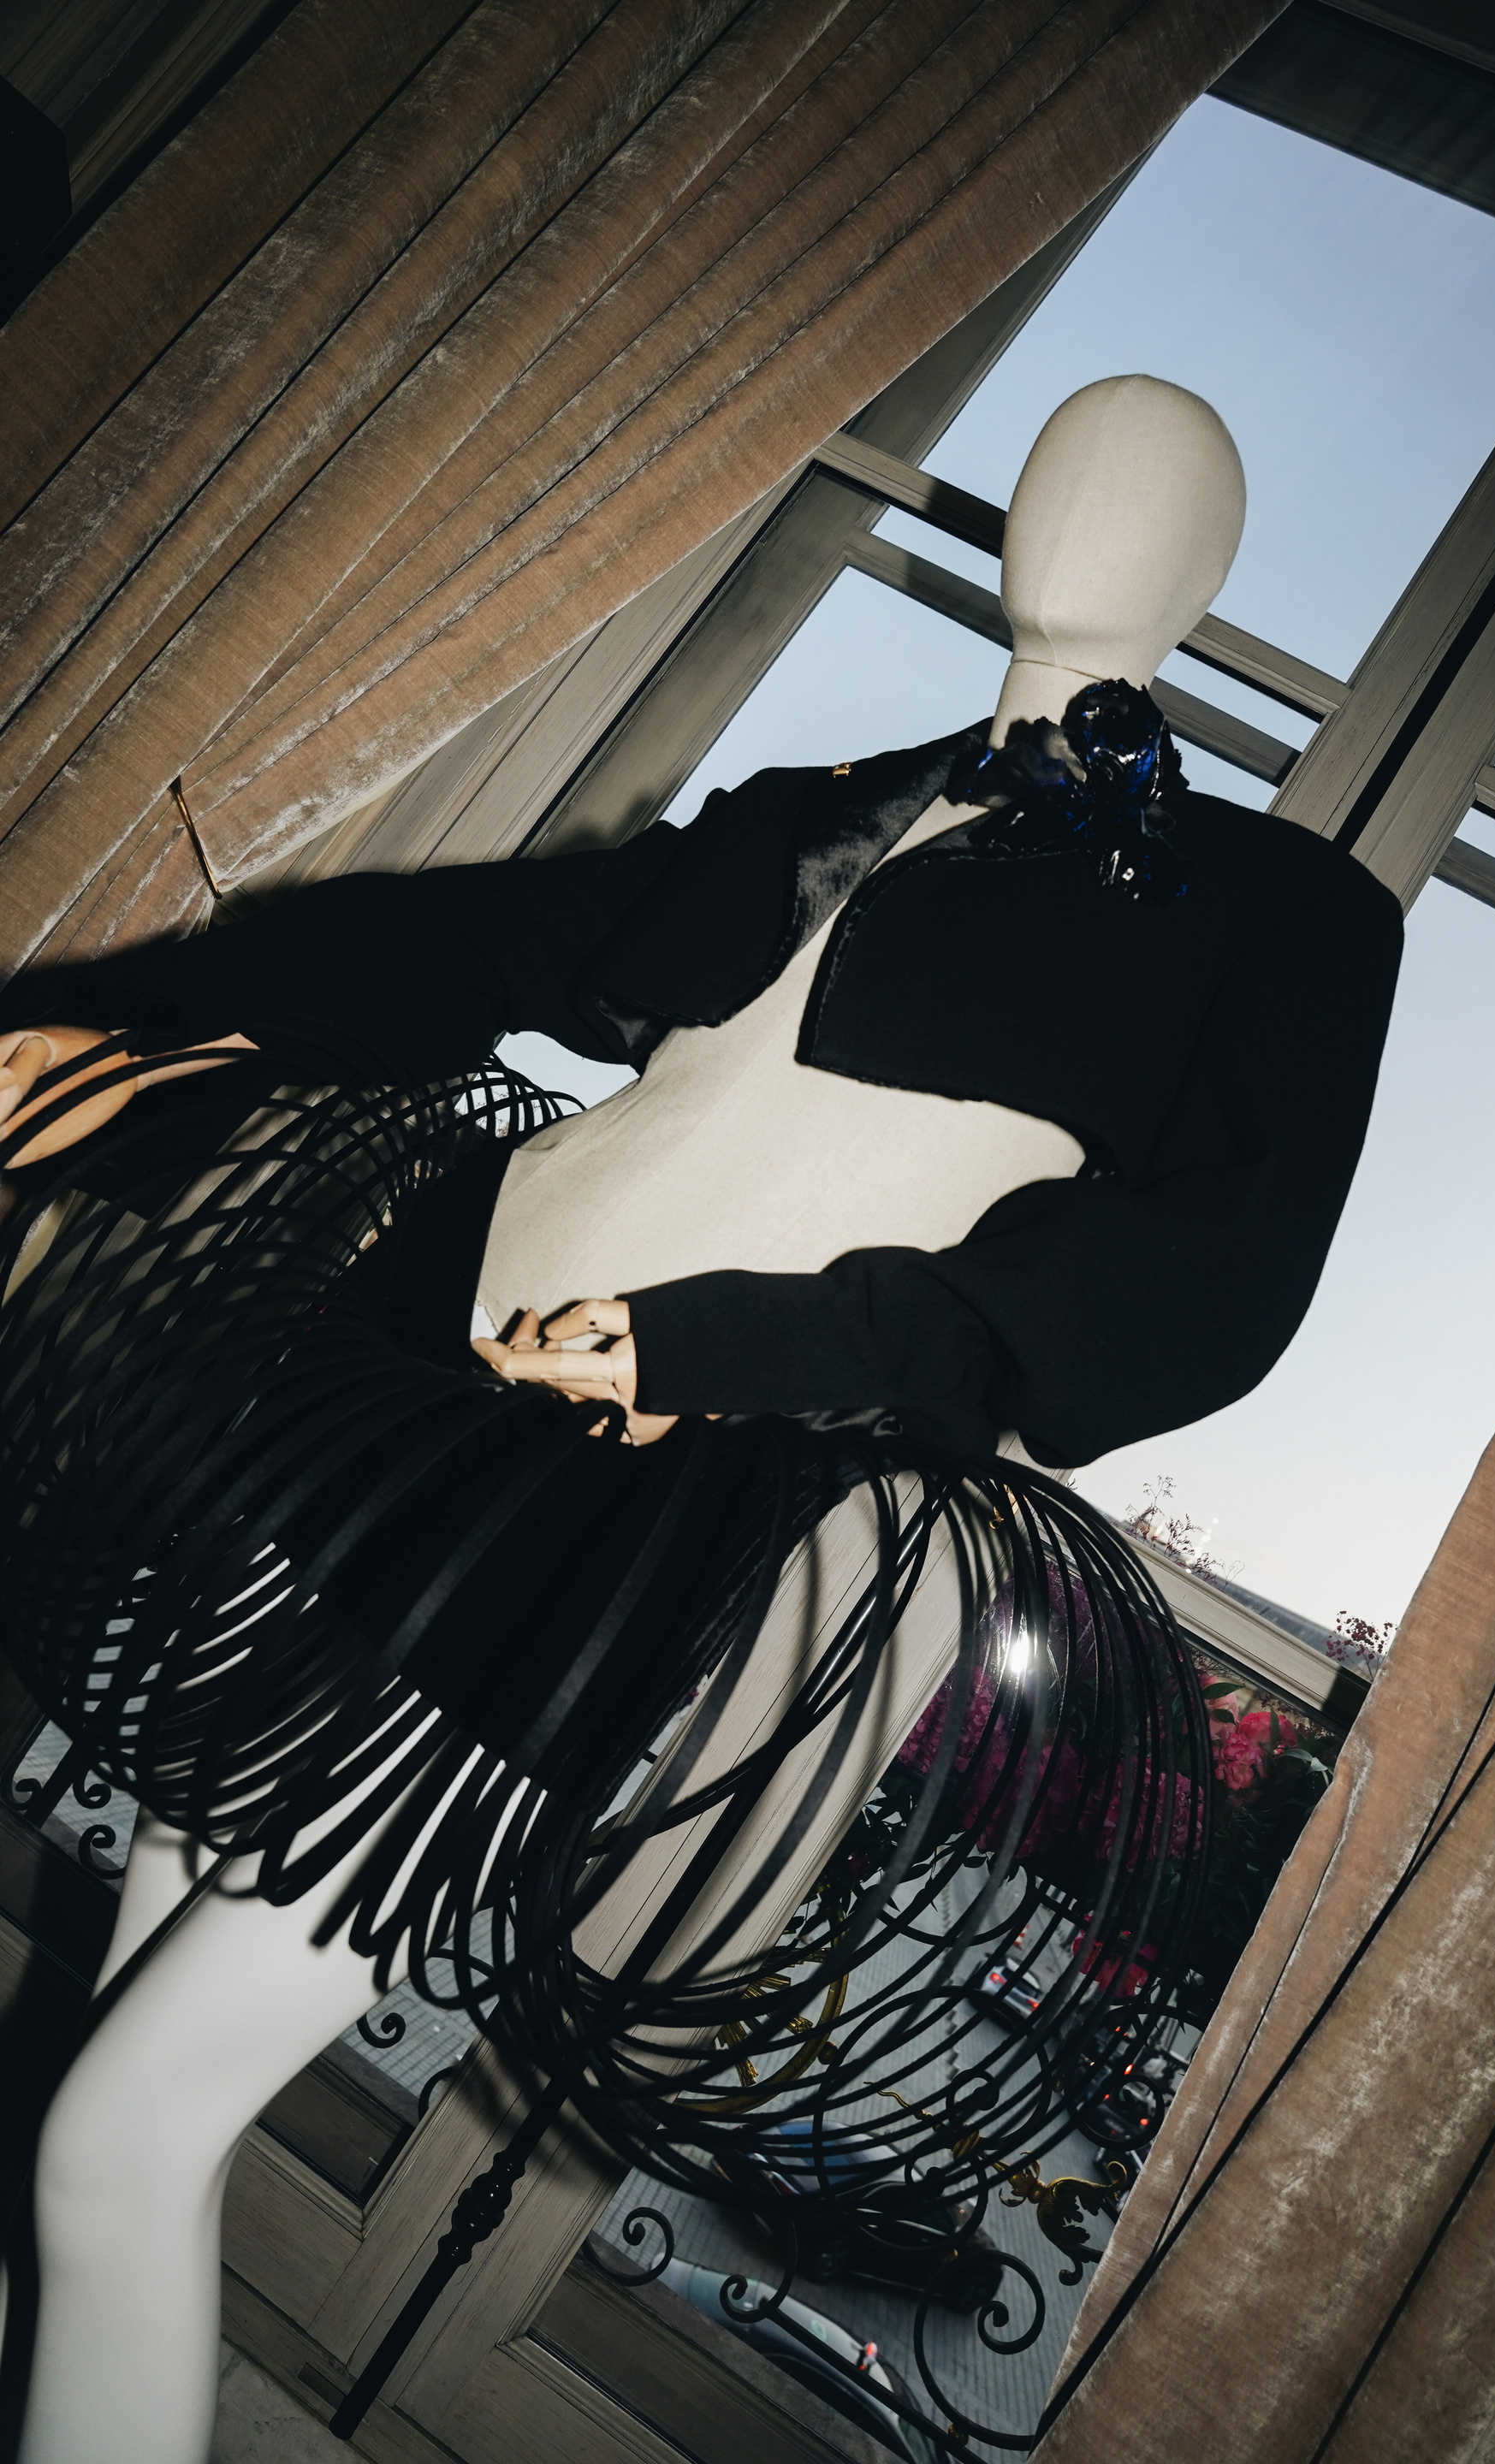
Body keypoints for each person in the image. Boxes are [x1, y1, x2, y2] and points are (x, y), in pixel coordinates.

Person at [0, 376, 1401, 2461]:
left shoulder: (1280, 912)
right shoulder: (839, 799)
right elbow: (487, 941)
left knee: (118, 2137)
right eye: (1053, 470)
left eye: (1136, 493)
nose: (1068, 515)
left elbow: (1195, 1292)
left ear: (1208, 572)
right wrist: (141, 1021)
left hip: (602, 1518)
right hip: (374, 1384)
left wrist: (734, 1344)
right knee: (119, 2046)